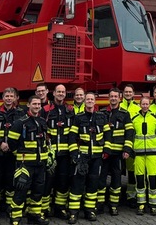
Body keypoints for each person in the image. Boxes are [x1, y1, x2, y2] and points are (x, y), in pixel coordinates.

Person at [67, 92, 110, 224]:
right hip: (82, 157)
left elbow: (108, 134)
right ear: (85, 101)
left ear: (95, 101)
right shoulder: (78, 118)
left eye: (92, 99)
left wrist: (106, 150)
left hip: (97, 157)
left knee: (93, 184)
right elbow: (72, 136)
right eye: (88, 99)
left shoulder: (102, 117)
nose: (90, 101)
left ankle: (90, 211)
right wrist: (75, 153)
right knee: (77, 184)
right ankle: (73, 213)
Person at [7, 96, 51, 225]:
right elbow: (12, 142)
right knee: (21, 190)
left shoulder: (43, 121)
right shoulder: (20, 122)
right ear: (28, 105)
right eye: (34, 104)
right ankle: (15, 217)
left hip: (40, 164)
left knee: (38, 191)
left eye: (38, 104)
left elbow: (44, 141)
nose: (37, 106)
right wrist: (20, 156)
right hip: (25, 164)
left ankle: (34, 215)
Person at [0, 87, 25, 222]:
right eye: (6, 96)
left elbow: (22, 134)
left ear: (15, 98)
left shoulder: (21, 113)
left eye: (11, 96)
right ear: (3, 97)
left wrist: (12, 147)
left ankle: (9, 208)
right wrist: (0, 143)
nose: (8, 98)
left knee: (10, 183)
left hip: (13, 155)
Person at [99, 88, 134, 215]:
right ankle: (100, 205)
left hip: (118, 154)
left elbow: (130, 133)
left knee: (116, 181)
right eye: (111, 96)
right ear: (108, 98)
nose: (113, 98)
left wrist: (126, 149)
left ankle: (114, 205)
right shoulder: (102, 113)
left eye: (115, 96)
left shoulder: (125, 114)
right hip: (104, 153)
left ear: (120, 98)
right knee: (101, 179)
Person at [44, 84, 74, 219]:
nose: (61, 94)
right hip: (51, 154)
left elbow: (74, 132)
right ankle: (45, 208)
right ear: (54, 93)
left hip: (65, 154)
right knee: (48, 181)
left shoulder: (70, 110)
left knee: (63, 182)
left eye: (63, 92)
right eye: (58, 92)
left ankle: (60, 208)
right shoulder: (46, 110)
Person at [131, 96, 156, 215]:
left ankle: (153, 205)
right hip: (139, 154)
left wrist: (154, 145)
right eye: (143, 104)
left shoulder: (155, 118)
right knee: (139, 179)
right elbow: (132, 135)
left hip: (152, 154)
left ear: (149, 105)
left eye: (146, 104)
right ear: (140, 105)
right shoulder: (134, 119)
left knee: (153, 179)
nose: (144, 106)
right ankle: (141, 204)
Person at [121, 84, 141, 204]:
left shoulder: (137, 108)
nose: (128, 94)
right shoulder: (119, 106)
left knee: (132, 171)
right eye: (126, 92)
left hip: (133, 143)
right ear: (123, 93)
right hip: (119, 142)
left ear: (133, 94)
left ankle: (131, 196)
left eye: (130, 92)